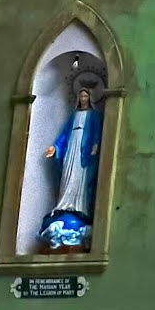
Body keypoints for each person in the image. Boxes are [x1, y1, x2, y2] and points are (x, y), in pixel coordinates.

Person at [39, 84, 103, 254]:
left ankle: (79, 208)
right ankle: (64, 206)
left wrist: (95, 146)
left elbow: (97, 133)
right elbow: (64, 136)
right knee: (68, 177)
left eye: (85, 96)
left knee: (80, 180)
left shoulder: (94, 116)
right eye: (81, 96)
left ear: (90, 98)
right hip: (71, 150)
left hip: (84, 152)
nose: (83, 99)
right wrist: (55, 147)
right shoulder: (73, 116)